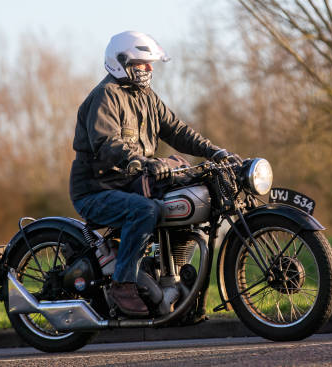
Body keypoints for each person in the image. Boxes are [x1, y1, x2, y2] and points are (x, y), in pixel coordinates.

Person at [70, 31, 240, 317]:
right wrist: (145, 162)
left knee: (187, 195)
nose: (149, 69)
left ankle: (172, 281)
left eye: (151, 64)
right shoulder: (105, 97)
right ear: (121, 62)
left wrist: (215, 152)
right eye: (142, 63)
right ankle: (123, 284)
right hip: (96, 190)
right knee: (145, 210)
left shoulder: (146, 97)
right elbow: (107, 144)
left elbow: (177, 130)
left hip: (130, 183)